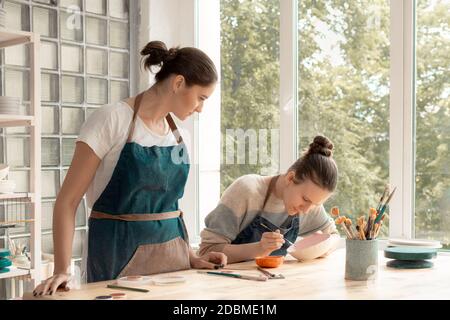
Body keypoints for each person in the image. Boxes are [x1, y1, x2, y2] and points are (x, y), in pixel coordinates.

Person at [33, 41, 227, 296]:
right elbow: (67, 202)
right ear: (178, 83)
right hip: (117, 260)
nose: (201, 108)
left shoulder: (179, 137)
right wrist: (61, 269)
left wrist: (189, 256)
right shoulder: (111, 120)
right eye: (201, 98)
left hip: (174, 270)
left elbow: (168, 210)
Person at [198, 135, 340, 263]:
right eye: (305, 199)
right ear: (290, 178)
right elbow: (207, 250)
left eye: (315, 204)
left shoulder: (309, 206)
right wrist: (258, 249)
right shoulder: (247, 191)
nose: (306, 210)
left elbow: (334, 236)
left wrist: (322, 246)